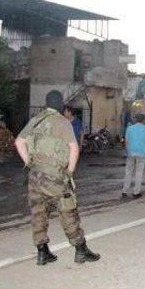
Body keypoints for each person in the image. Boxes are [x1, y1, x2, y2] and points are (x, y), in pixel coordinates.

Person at [15, 96, 100, 265]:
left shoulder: (35, 120)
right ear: (60, 106)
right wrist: (69, 172)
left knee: (38, 213)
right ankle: (81, 250)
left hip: (35, 177)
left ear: (46, 104)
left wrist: (29, 162)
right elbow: (74, 148)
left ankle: (42, 252)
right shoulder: (62, 122)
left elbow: (19, 142)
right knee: (68, 211)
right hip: (55, 176)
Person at [122, 113, 145, 199]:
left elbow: (126, 141)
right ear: (143, 120)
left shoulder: (129, 128)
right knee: (139, 173)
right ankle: (136, 192)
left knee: (128, 172)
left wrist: (127, 150)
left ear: (135, 119)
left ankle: (124, 191)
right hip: (141, 153)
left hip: (131, 153)